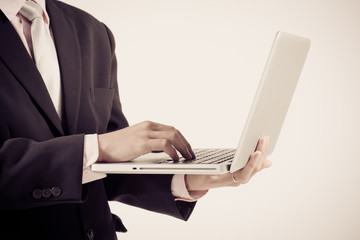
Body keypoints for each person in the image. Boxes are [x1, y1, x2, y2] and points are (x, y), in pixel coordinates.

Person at [0, 0, 271, 239]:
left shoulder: (91, 31)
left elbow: (105, 168)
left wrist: (192, 178)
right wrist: (98, 147)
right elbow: (99, 149)